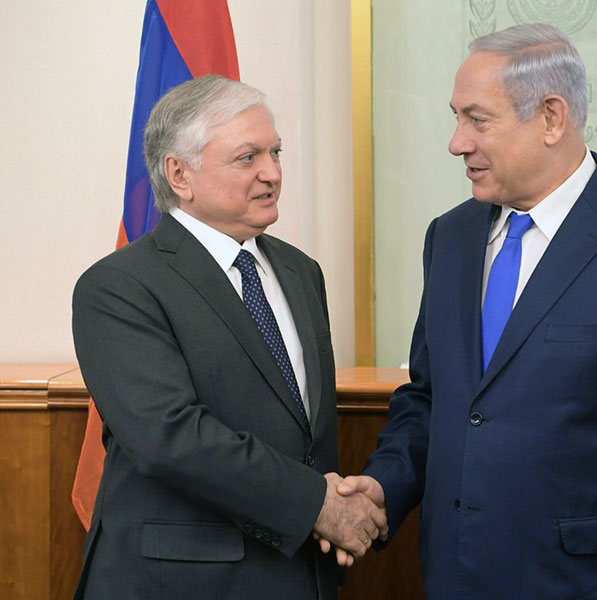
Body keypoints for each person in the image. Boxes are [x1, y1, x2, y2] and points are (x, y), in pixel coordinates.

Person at [335, 23, 597, 599]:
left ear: (552, 118)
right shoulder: (450, 238)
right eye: (456, 117)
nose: (457, 142)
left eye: (477, 120)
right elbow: (434, 400)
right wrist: (384, 486)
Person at [71, 75, 386, 600]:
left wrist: (333, 507)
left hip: (299, 574)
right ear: (180, 174)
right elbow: (170, 438)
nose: (273, 173)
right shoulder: (119, 285)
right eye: (247, 158)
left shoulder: (300, 271)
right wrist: (318, 506)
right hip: (182, 581)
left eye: (276, 152)